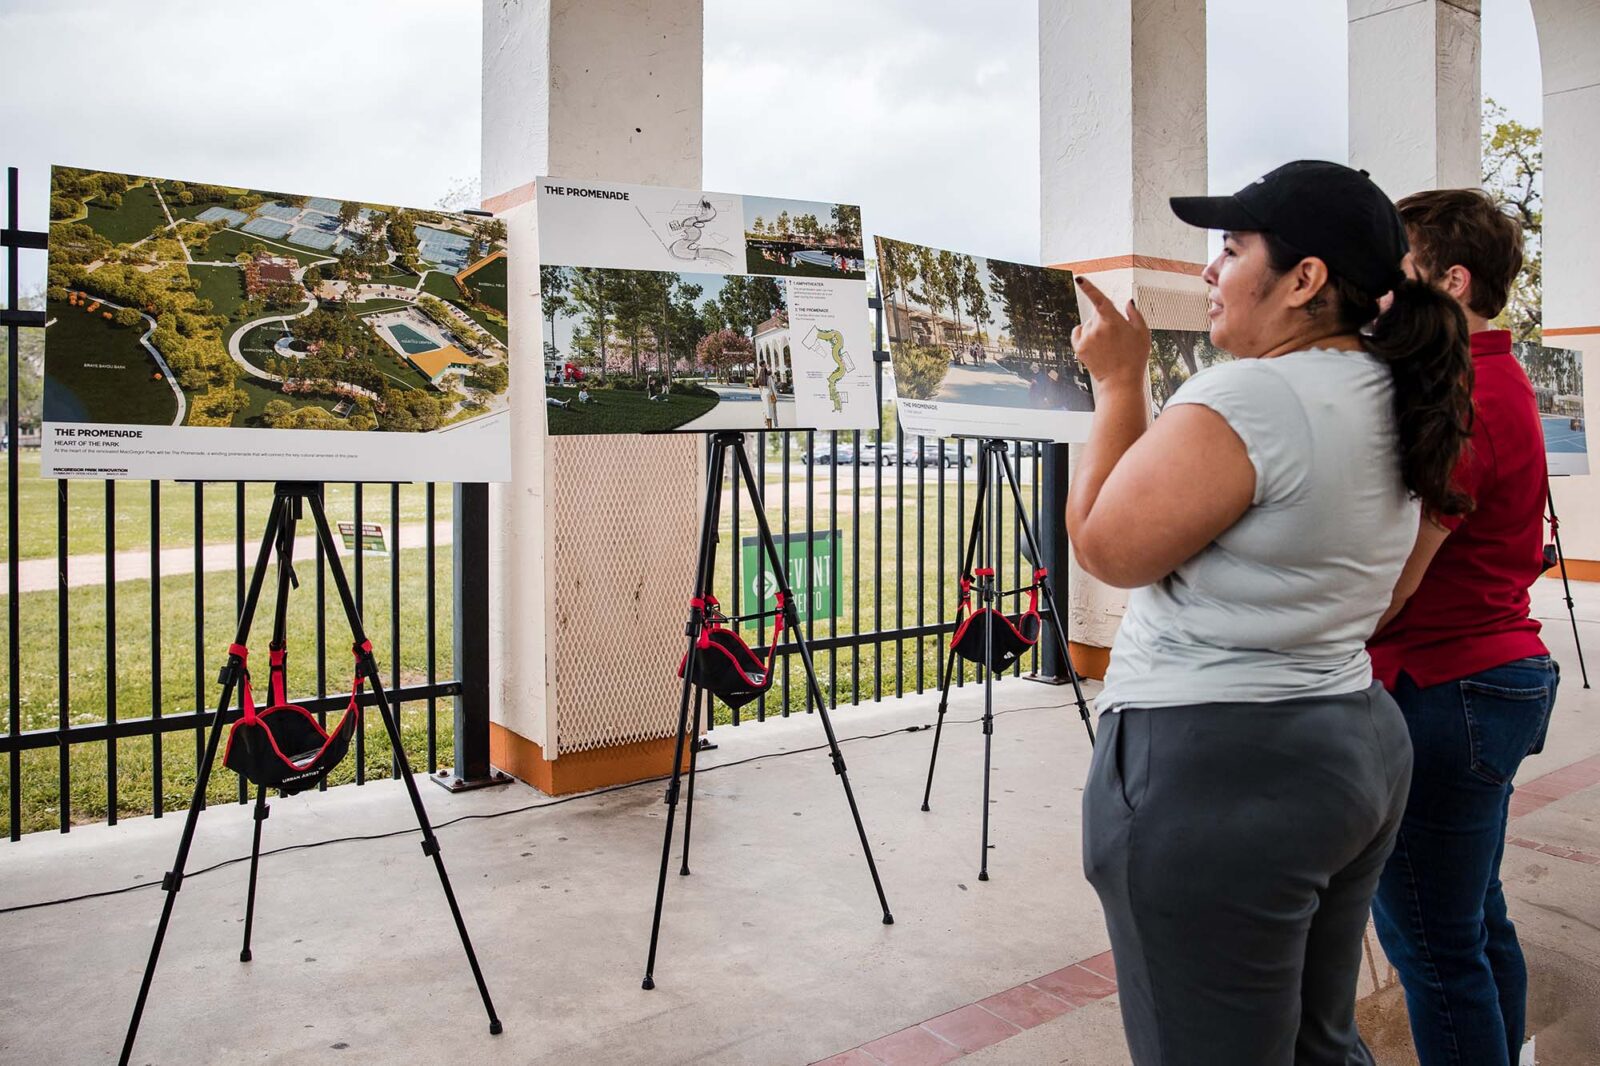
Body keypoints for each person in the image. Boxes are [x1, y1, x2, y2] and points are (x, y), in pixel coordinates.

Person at [1067, 161, 1474, 1064]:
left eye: (1232, 247)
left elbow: (1105, 547)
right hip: (1350, 739)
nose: (1211, 270)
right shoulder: (1392, 387)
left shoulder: (1252, 395)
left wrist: (1118, 385)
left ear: (1305, 279)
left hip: (1220, 769)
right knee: (1316, 1041)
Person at [1366, 188, 1556, 1066]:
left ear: (1452, 278)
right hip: (1487, 681)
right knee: (1474, 919)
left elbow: (1398, 586)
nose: (1381, 290)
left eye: (1398, 271)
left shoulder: (1468, 393)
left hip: (1444, 688)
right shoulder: (1493, 379)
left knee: (1435, 953)